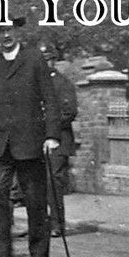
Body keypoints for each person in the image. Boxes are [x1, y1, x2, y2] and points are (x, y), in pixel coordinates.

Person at [0, 16, 60, 257]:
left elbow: (50, 98)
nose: (5, 35)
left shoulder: (34, 58)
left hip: (30, 141)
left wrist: (52, 135)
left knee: (35, 199)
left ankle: (39, 255)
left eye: (8, 30)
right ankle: (0, 256)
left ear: (16, 31)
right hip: (0, 143)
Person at [40, 44, 78, 237]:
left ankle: (57, 224)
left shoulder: (62, 83)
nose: (45, 63)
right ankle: (42, 223)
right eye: (42, 59)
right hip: (37, 139)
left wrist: (49, 128)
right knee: (38, 182)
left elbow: (69, 112)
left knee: (53, 181)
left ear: (53, 60)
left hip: (58, 140)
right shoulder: (35, 83)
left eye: (48, 59)